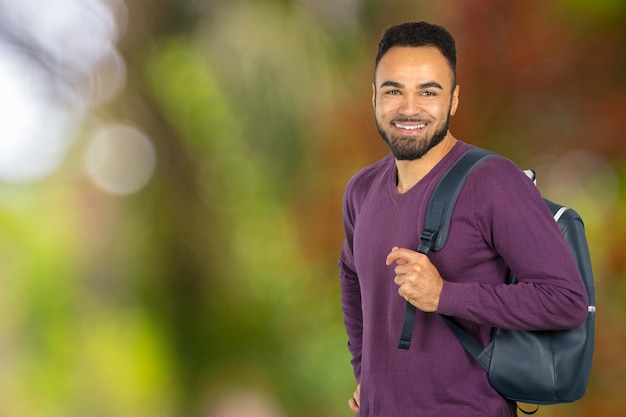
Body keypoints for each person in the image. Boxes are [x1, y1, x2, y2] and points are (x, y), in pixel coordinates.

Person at [338, 21, 588, 417]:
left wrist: (445, 296)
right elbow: (352, 276)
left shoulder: (493, 182)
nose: (408, 108)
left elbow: (566, 301)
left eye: (428, 92)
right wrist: (366, 370)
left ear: (453, 100)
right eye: (393, 91)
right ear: (374, 97)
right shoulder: (361, 190)